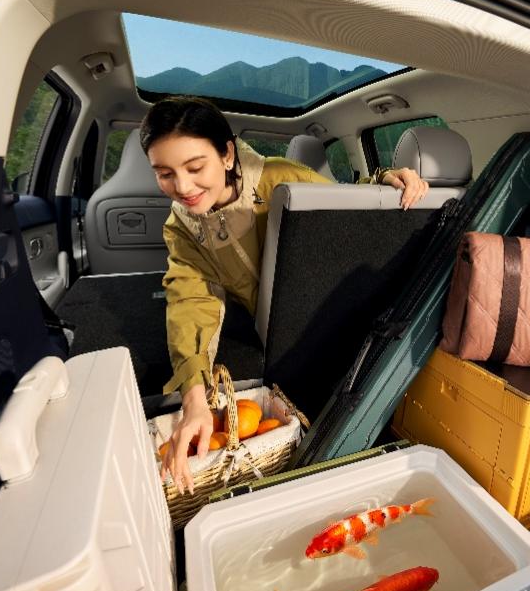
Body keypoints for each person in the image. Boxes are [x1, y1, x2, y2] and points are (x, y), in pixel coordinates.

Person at [142, 95, 430, 492]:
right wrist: (194, 399)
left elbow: (338, 208)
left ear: (227, 155)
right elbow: (190, 303)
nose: (183, 187)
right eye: (164, 174)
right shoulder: (181, 228)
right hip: (272, 338)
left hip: (330, 319)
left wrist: (383, 183)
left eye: (195, 167)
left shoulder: (280, 178)